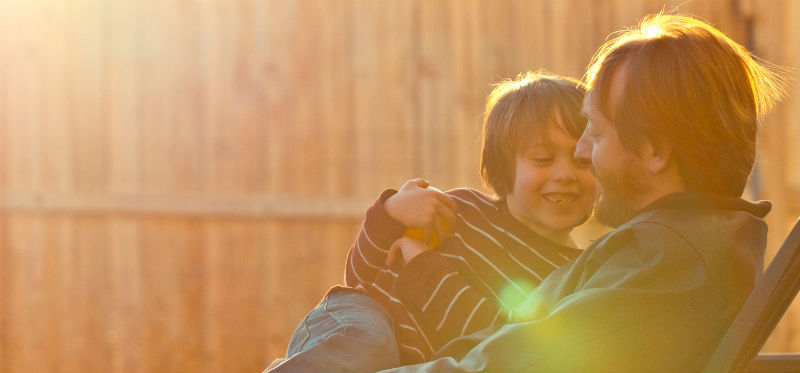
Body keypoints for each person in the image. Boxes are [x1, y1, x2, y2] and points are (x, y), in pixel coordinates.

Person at [374, 13, 789, 373]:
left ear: (655, 152)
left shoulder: (670, 261)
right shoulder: (675, 246)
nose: (581, 152)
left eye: (596, 132)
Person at [266, 71, 598, 372]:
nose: (564, 174)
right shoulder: (459, 212)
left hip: (413, 362)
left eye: (582, 160)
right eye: (543, 159)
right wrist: (391, 214)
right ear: (503, 168)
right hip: (364, 317)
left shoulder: (572, 275)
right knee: (368, 346)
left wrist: (424, 268)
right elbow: (360, 274)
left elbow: (498, 339)